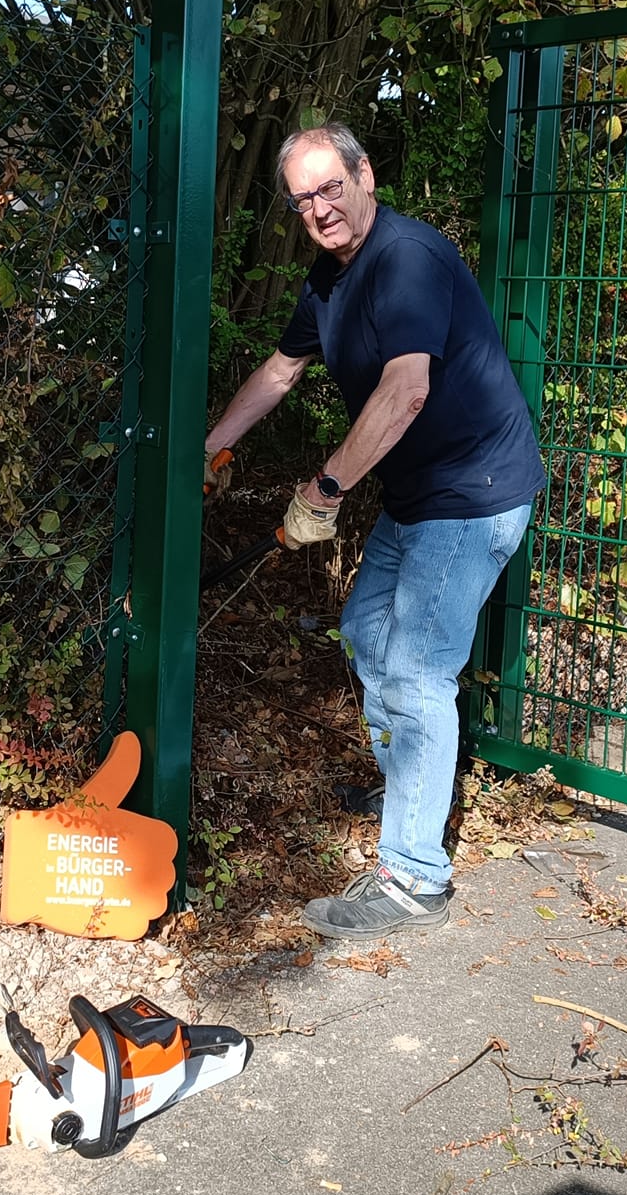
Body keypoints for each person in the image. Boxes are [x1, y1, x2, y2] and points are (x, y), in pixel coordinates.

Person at [203, 123, 546, 940]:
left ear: (365, 175)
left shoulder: (407, 260)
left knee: (417, 671)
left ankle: (415, 877)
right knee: (363, 632)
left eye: (330, 187)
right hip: (417, 496)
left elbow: (406, 392)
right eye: (303, 199)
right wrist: (213, 446)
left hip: (473, 494)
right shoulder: (330, 280)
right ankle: (416, 784)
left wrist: (323, 491)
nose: (319, 208)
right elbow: (282, 371)